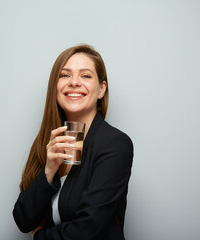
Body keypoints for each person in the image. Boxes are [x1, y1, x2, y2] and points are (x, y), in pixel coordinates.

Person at [13, 44, 134, 240]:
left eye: (85, 76)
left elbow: (87, 231)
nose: (74, 82)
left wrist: (39, 236)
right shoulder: (48, 142)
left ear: (101, 89)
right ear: (55, 86)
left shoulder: (115, 145)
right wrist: (49, 170)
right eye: (65, 75)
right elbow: (22, 219)